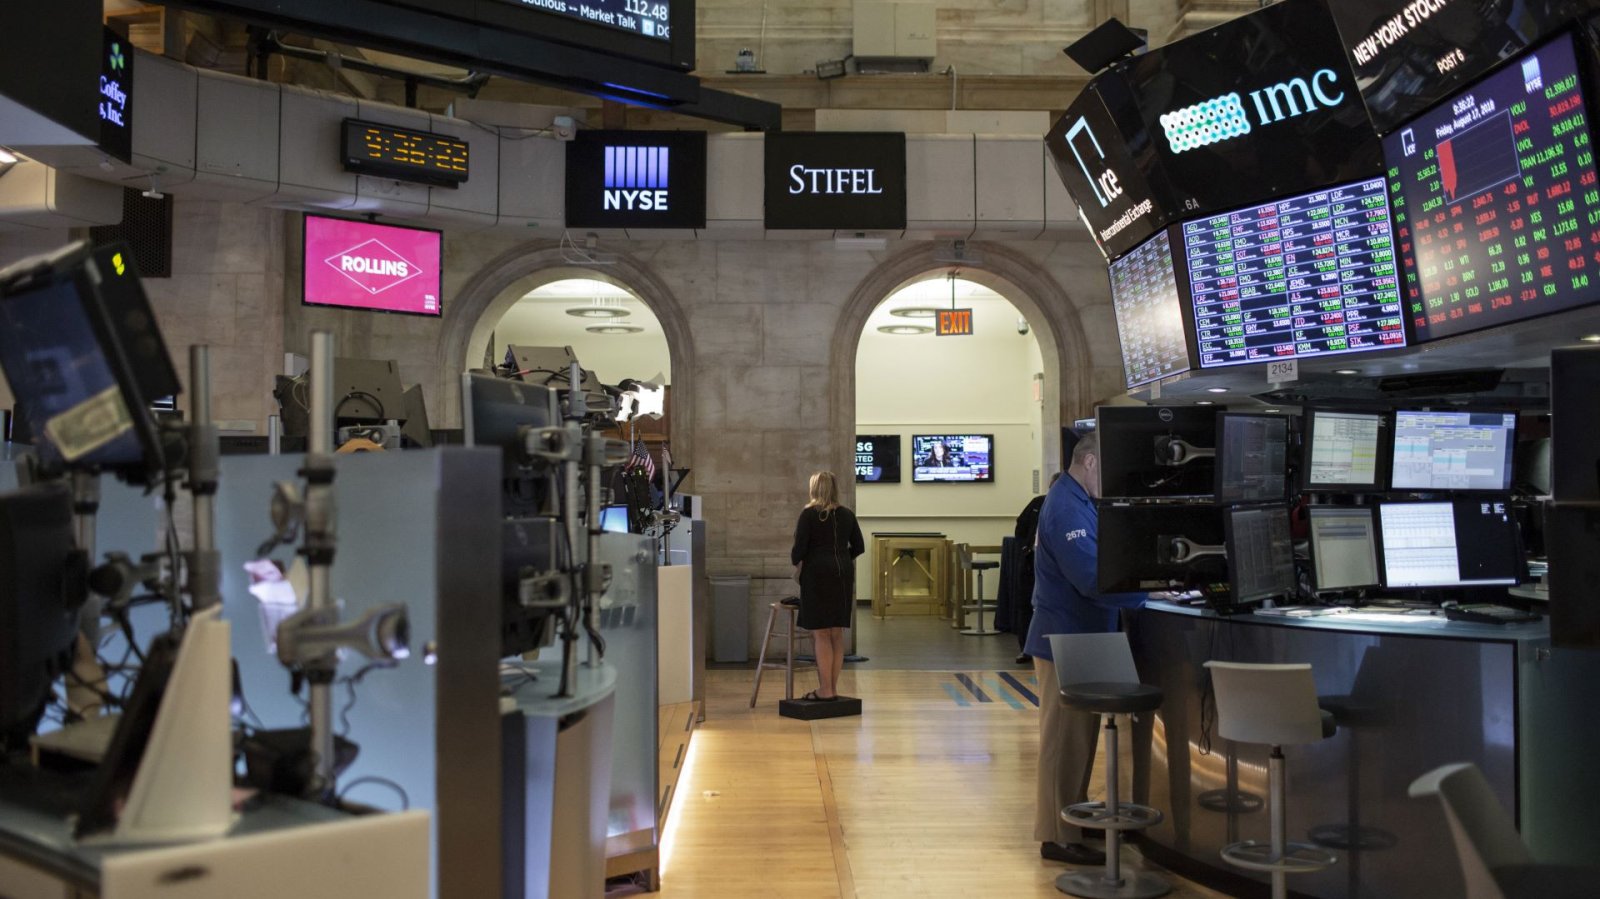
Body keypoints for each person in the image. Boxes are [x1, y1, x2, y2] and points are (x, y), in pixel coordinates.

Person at [1024, 431, 1150, 865]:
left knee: (1078, 744)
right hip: (1065, 640)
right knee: (1063, 743)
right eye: (1108, 469)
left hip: (1082, 638)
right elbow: (1092, 578)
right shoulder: (1065, 506)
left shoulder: (1078, 501)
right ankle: (1056, 835)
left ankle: (1070, 822)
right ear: (1090, 461)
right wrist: (1148, 592)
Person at [790, 470, 865, 701]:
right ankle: (831, 688)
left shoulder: (809, 514)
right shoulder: (847, 514)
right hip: (843, 574)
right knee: (836, 633)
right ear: (834, 488)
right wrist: (842, 557)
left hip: (816, 574)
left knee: (821, 633)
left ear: (813, 489)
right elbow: (859, 546)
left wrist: (806, 560)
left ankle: (825, 690)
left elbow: (798, 552)